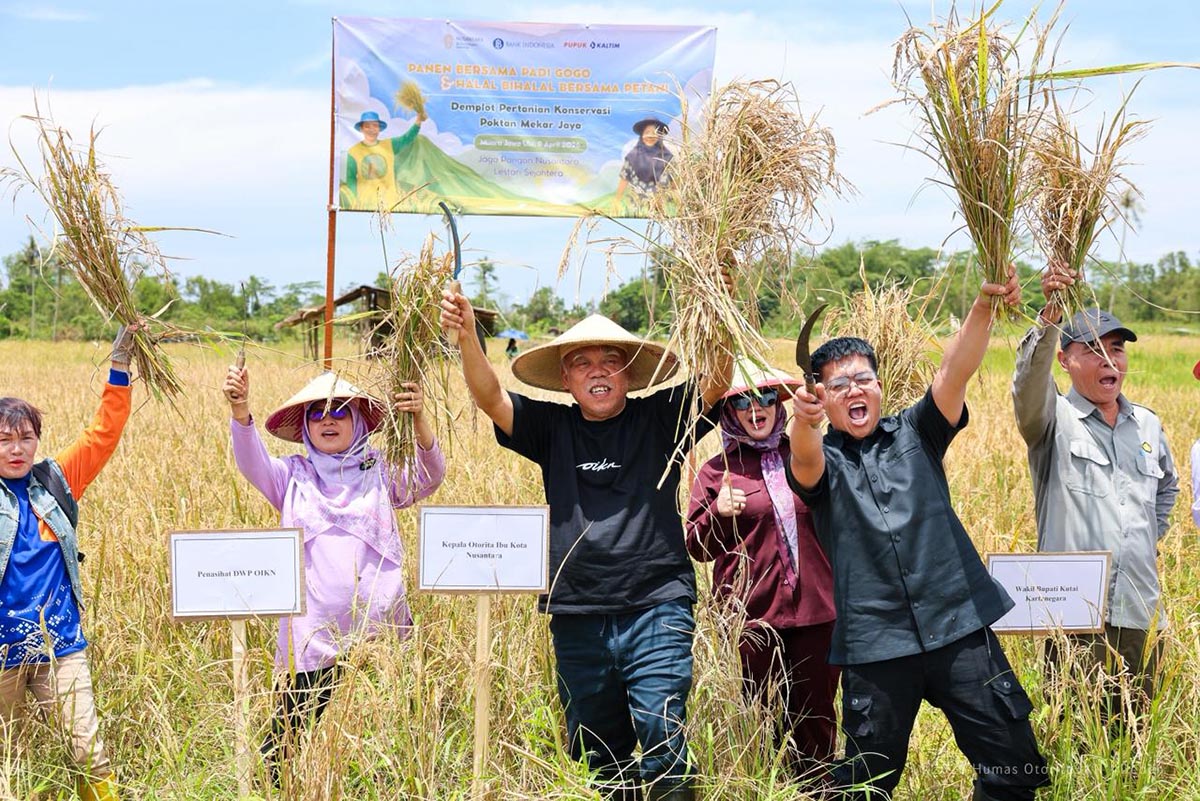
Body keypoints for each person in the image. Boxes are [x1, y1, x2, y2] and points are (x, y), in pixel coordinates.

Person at [438, 292, 732, 801]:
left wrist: (717, 297)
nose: (598, 371)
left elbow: (716, 381)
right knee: (598, 749)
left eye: (610, 361)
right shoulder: (553, 429)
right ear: (566, 379)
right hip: (576, 609)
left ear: (628, 375)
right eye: (582, 363)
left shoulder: (660, 418)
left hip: (656, 602)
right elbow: (492, 398)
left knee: (661, 726)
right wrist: (467, 337)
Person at [786, 266, 1049, 801]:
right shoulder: (823, 461)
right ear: (823, 398)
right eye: (838, 385)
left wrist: (984, 304)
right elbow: (803, 457)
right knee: (865, 787)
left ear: (880, 386)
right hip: (875, 645)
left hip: (959, 625)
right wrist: (803, 422)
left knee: (1014, 765)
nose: (853, 389)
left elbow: (954, 371)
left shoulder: (917, 432)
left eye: (863, 379)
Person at [221, 367, 444, 787]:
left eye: (340, 410)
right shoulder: (292, 477)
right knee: (287, 749)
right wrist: (240, 410)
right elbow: (252, 464)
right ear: (304, 426)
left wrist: (419, 419)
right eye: (316, 413)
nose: (328, 420)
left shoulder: (381, 471)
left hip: (380, 637)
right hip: (312, 639)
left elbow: (428, 476)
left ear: (358, 421)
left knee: (385, 751)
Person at [1012, 262, 1179, 715]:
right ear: (1064, 360)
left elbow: (1168, 488)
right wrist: (1050, 315)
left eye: (1117, 349)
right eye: (1092, 349)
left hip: (1138, 606)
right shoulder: (1051, 420)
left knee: (1136, 734)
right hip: (1075, 615)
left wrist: (1145, 537)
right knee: (1078, 733)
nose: (1110, 360)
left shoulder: (1147, 424)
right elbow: (1028, 387)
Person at [685, 359, 837, 786]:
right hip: (750, 618)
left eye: (766, 397)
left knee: (816, 718)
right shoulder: (716, 471)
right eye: (743, 401)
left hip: (816, 613)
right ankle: (763, 789)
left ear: (779, 403)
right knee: (759, 716)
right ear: (729, 411)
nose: (757, 409)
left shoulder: (807, 455)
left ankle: (819, 791)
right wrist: (718, 513)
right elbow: (695, 546)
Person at [0, 326, 137, 801]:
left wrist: (119, 366)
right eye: (4, 440)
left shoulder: (56, 481)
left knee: (87, 751)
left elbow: (103, 434)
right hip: (2, 651)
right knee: (8, 761)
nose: (17, 449)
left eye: (26, 438)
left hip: (60, 648)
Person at [341, 109, 429, 210]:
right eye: (367, 126)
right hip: (365, 205)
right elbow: (351, 179)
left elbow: (407, 138)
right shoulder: (354, 151)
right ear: (361, 129)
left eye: (375, 125)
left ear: (379, 128)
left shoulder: (389, 145)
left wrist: (418, 121)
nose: (371, 129)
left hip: (389, 204)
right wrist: (354, 201)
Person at [614, 117, 673, 208]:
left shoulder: (668, 158)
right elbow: (624, 178)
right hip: (636, 206)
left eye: (654, 133)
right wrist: (616, 201)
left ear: (660, 136)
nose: (650, 136)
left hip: (662, 207)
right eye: (647, 132)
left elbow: (674, 184)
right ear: (642, 135)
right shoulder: (632, 157)